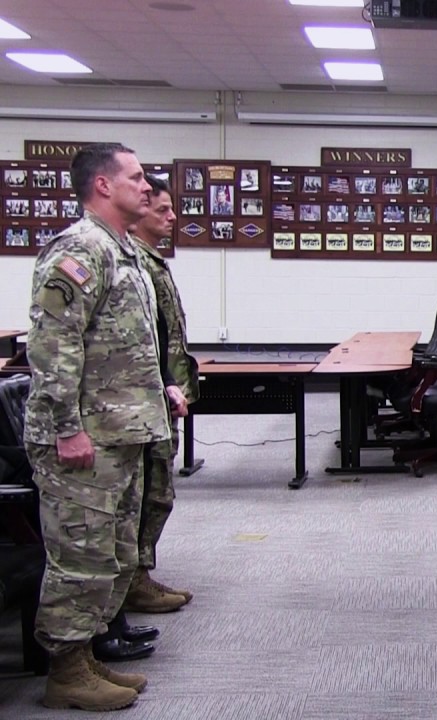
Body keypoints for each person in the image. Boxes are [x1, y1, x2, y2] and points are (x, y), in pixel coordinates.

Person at [24, 143, 173, 711]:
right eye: (135, 177)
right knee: (79, 558)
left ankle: (84, 656)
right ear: (104, 186)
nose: (146, 185)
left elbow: (125, 348)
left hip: (121, 430)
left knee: (110, 556)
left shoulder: (123, 251)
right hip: (84, 436)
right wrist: (67, 429)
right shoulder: (79, 249)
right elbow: (53, 347)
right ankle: (65, 669)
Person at [123, 175, 198, 617]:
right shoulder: (134, 262)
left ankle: (138, 575)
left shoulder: (150, 260)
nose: (172, 218)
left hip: (161, 390)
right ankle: (133, 580)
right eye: (163, 210)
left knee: (157, 490)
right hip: (143, 396)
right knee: (148, 492)